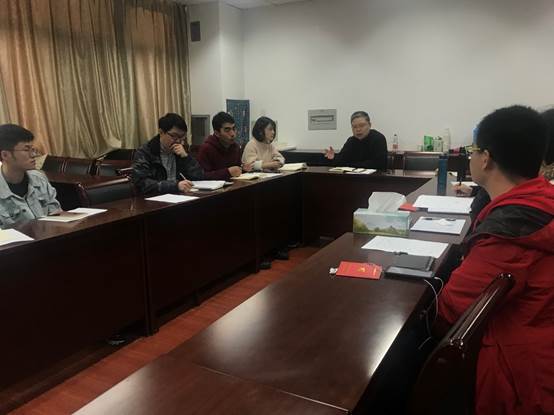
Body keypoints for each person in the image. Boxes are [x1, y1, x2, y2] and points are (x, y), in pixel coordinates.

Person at [436, 106, 554, 415]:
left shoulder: (513, 228)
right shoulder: (540, 198)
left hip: (523, 376)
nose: (472, 157)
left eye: (474, 150)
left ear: (486, 158)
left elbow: (452, 308)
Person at [0, 124, 61, 228]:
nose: (33, 155)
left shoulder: (39, 179)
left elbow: (58, 217)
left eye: (33, 149)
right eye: (26, 150)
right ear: (5, 155)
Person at [132, 113, 205, 195]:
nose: (178, 141)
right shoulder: (145, 152)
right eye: (174, 136)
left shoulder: (180, 151)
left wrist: (186, 158)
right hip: (155, 198)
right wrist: (175, 186)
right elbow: (141, 183)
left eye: (182, 137)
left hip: (179, 196)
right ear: (161, 132)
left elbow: (200, 177)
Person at [323, 111, 388, 169]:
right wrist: (334, 158)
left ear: (369, 125)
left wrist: (350, 164)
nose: (358, 129)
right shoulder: (351, 141)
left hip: (374, 177)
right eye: (354, 127)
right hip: (354, 176)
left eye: (362, 125)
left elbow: (379, 164)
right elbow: (342, 160)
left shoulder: (378, 139)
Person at [197, 112, 252, 179]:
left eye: (234, 128)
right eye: (227, 130)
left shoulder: (235, 147)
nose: (232, 134)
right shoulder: (206, 149)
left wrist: (243, 169)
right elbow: (201, 176)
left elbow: (236, 171)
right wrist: (227, 172)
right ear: (217, 133)